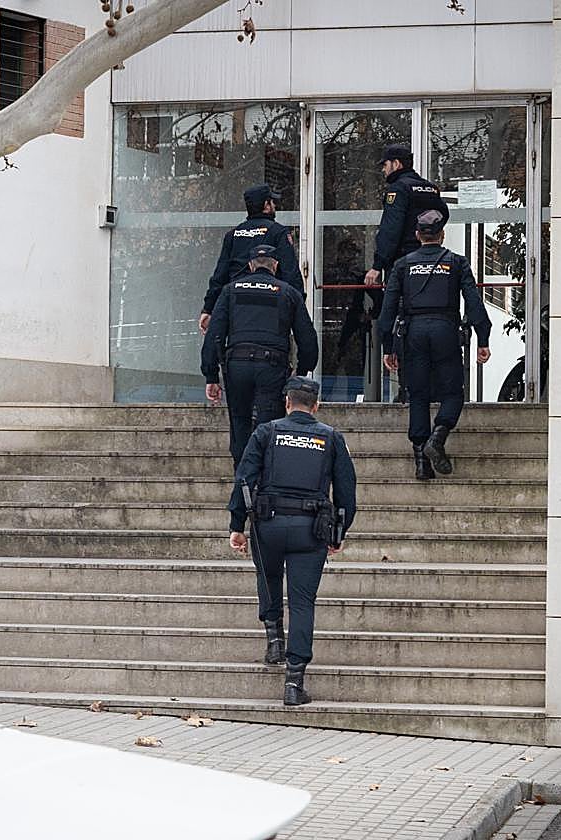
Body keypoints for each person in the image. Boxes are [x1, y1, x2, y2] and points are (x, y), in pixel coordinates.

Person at [228, 376, 357, 706]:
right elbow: (346, 492)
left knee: (268, 578)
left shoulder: (266, 433)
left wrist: (237, 524)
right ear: (316, 407)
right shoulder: (331, 438)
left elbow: (244, 479)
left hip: (267, 526)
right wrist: (338, 533)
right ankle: (294, 681)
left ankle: (274, 640)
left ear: (287, 403)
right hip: (310, 529)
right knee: (302, 602)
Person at [377, 209, 492, 480]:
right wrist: (483, 338)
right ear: (442, 235)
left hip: (413, 333)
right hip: (445, 330)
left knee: (417, 394)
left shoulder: (403, 265)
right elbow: (473, 302)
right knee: (453, 393)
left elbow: (388, 310)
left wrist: (388, 346)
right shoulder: (456, 262)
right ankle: (437, 439)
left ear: (418, 235)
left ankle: (421, 463)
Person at [201, 244, 319, 467]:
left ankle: (243, 480)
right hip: (271, 367)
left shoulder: (230, 290)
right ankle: (264, 481)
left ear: (250, 265)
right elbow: (307, 339)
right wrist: (301, 373)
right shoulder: (288, 292)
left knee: (239, 423)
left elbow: (214, 334)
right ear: (275, 265)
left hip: (237, 365)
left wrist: (211, 375)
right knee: (269, 426)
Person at [199, 184, 303, 335]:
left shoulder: (233, 235)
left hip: (237, 308)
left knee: (239, 347)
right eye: (272, 202)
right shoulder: (278, 233)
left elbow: (219, 276)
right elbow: (291, 273)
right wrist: (299, 308)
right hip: (270, 306)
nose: (274, 205)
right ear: (266, 205)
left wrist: (208, 309)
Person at [362, 145, 448, 288]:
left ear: (396, 164)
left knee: (399, 305)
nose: (383, 169)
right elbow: (444, 214)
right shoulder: (430, 188)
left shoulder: (398, 189)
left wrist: (377, 265)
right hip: (431, 259)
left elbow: (391, 229)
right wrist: (430, 237)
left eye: (385, 164)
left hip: (403, 262)